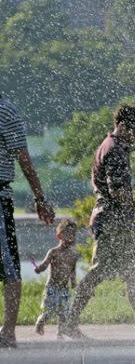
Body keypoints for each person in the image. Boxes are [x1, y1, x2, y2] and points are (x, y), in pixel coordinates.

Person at [60, 104, 135, 341]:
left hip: (117, 220)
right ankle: (69, 325)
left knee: (132, 274)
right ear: (123, 125)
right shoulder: (114, 149)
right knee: (98, 272)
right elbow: (117, 192)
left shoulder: (112, 146)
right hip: (111, 221)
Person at [0, 92, 55, 348]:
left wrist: (40, 199)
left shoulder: (6, 111)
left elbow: (24, 158)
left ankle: (8, 332)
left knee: (9, 266)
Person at [34, 218, 80, 336]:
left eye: (73, 234)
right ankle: (41, 321)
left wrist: (73, 282)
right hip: (52, 288)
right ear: (59, 236)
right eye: (68, 234)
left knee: (63, 313)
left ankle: (60, 333)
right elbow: (45, 264)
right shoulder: (53, 252)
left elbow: (72, 270)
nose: (71, 237)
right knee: (49, 311)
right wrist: (39, 268)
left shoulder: (73, 255)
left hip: (64, 288)